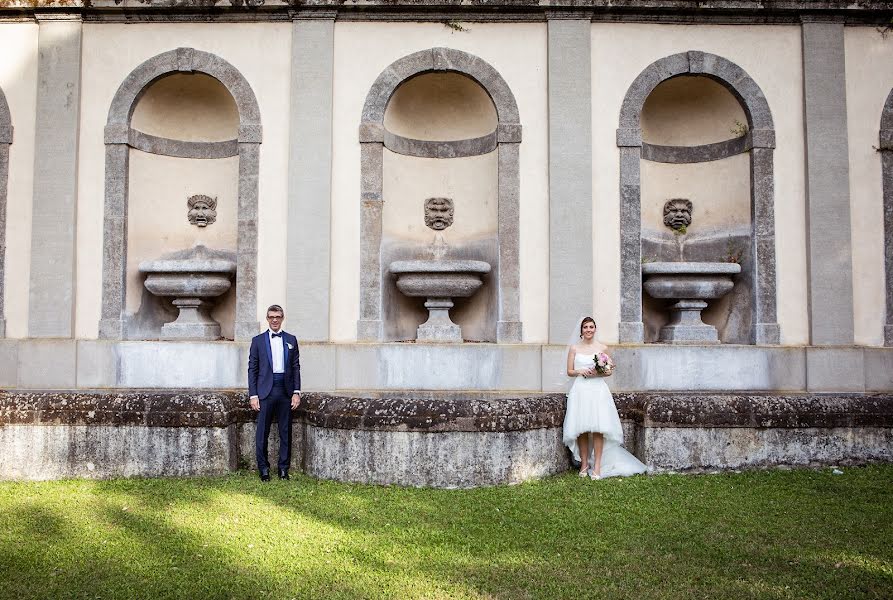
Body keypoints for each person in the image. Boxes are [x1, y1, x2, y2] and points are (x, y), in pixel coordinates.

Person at [563, 316, 646, 480]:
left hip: (598, 390)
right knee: (582, 428)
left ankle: (598, 466)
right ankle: (584, 464)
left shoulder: (603, 348)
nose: (588, 330)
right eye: (585, 327)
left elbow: (609, 371)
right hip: (580, 390)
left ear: (595, 329)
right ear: (581, 330)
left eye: (591, 327)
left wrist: (598, 372)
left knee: (598, 428)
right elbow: (569, 371)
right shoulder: (574, 348)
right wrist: (581, 371)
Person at [248, 304, 301, 481]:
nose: (275, 320)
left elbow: (295, 367)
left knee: (285, 431)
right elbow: (252, 369)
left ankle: (283, 469)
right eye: (271, 317)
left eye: (278, 316)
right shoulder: (257, 341)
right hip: (265, 392)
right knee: (262, 432)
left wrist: (296, 392)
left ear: (282, 318)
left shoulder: (291, 340)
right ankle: (263, 469)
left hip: (285, 390)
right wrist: (253, 395)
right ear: (267, 319)